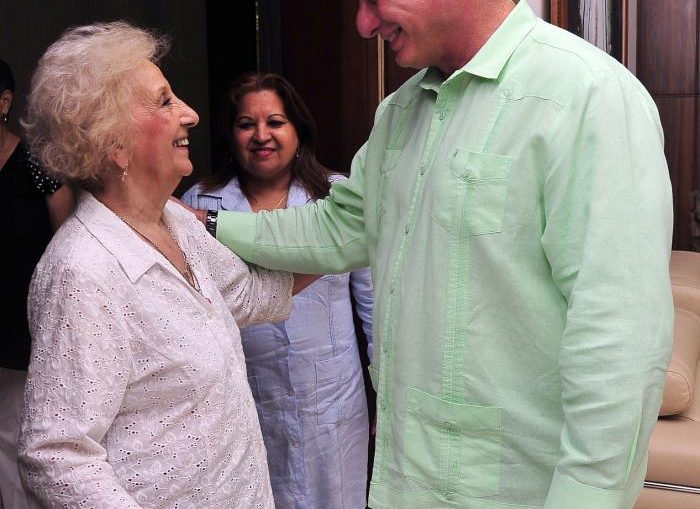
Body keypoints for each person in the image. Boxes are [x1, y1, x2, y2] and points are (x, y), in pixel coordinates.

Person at [192, 1, 675, 508]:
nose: (364, 24)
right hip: (405, 484)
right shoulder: (401, 111)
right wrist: (209, 224)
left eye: (373, 0)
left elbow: (621, 337)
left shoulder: (585, 97)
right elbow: (342, 226)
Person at [18, 22, 317, 509]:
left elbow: (250, 295)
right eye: (164, 101)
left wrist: (356, 231)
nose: (191, 114)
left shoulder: (174, 220)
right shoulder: (82, 272)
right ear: (113, 142)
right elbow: (57, 454)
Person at [181, 71, 373, 509]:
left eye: (275, 122)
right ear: (230, 136)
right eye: (247, 124)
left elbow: (374, 304)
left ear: (298, 130)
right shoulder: (201, 205)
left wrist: (386, 390)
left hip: (333, 403)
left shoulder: (336, 198)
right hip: (245, 404)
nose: (261, 135)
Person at [0, 57, 73, 509]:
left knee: (18, 446)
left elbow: (70, 245)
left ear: (4, 102)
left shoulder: (35, 163)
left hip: (23, 337)